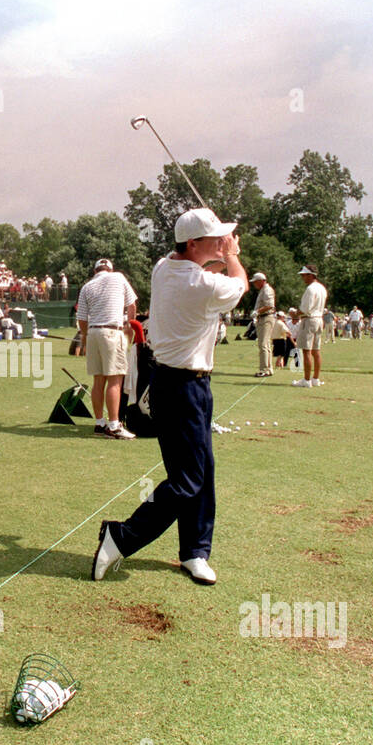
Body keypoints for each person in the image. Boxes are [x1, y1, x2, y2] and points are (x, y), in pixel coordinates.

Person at [92, 208, 247, 585]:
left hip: (179, 383)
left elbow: (201, 269)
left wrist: (219, 249)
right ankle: (121, 537)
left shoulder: (164, 267)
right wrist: (233, 255)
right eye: (215, 238)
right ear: (193, 244)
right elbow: (239, 284)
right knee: (187, 480)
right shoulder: (202, 286)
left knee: (201, 471)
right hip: (183, 388)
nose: (222, 242)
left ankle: (195, 551)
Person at [75, 258, 139, 439]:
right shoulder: (118, 277)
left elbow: (82, 319)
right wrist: (129, 325)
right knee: (115, 380)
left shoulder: (87, 287)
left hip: (93, 332)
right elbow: (132, 304)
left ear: (95, 271)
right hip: (112, 332)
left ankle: (99, 423)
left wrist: (87, 339)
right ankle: (113, 425)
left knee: (98, 380)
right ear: (109, 269)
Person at [292, 264, 327, 388]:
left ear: (311, 275)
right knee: (316, 351)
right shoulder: (322, 288)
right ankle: (315, 379)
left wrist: (295, 312)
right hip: (319, 320)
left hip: (310, 320)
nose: (303, 278)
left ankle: (306, 380)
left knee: (307, 351)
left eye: (304, 275)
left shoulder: (310, 289)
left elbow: (305, 309)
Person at [249, 272, 275, 376]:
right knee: (266, 344)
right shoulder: (263, 290)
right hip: (263, 318)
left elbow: (269, 305)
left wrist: (257, 312)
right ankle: (268, 368)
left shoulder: (267, 290)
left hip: (266, 318)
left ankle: (264, 369)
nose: (254, 284)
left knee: (263, 344)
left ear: (261, 281)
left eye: (255, 282)